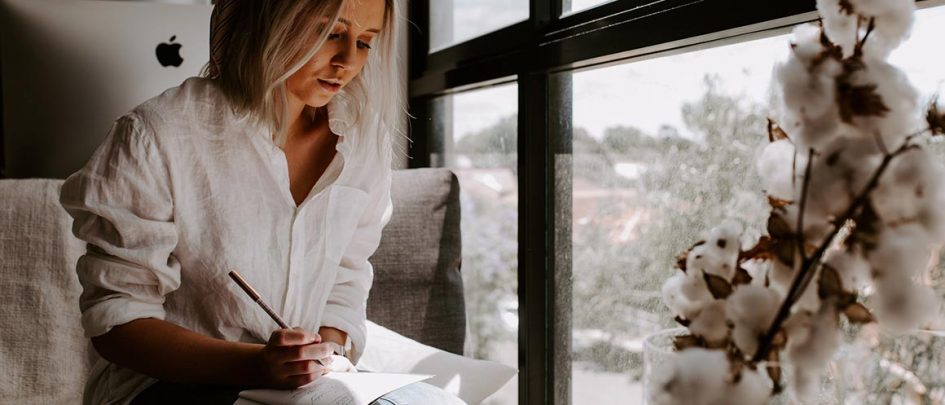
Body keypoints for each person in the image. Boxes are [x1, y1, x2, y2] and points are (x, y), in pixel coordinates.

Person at [59, 1, 464, 404]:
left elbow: (347, 273)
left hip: (297, 388)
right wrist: (257, 364)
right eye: (331, 33)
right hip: (164, 388)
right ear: (269, 21)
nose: (347, 60)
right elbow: (118, 324)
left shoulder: (362, 139)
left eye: (365, 42)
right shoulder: (157, 135)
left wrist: (324, 353)